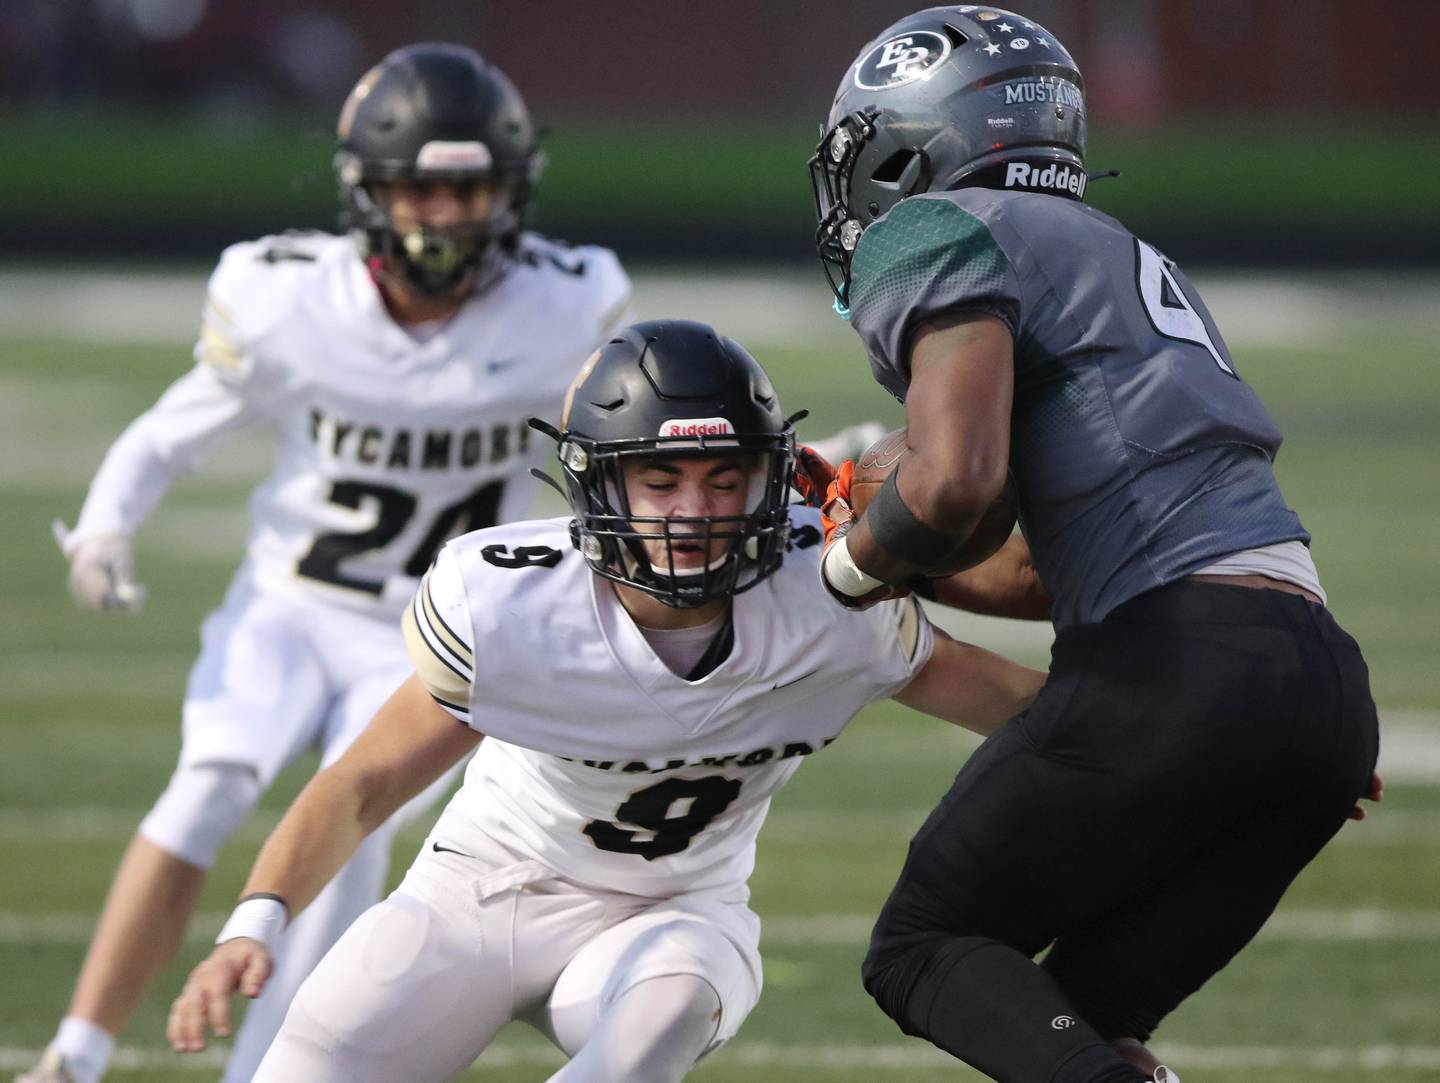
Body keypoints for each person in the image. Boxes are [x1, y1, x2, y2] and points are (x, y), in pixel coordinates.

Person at [164, 319, 1046, 1082]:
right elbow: (360, 784)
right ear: (598, 483)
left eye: (724, 478)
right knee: (323, 1043)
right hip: (481, 890)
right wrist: (256, 917)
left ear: (767, 478)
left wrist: (1169, 712)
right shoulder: (508, 607)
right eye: (661, 481)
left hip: (675, 915)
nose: (694, 510)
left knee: (652, 1027)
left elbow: (1034, 712)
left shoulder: (833, 603)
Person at [20, 42, 635, 1083]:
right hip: (291, 606)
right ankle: (73, 1057)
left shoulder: (567, 304)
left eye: (469, 187)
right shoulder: (287, 296)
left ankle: (265, 1075)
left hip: (434, 638)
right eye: (420, 188)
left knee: (355, 848)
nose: (444, 214)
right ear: (366, 189)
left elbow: (624, 454)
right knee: (205, 787)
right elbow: (174, 429)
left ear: (511, 189)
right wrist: (106, 523)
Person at [804, 7, 1382, 1083]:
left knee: (925, 946)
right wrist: (910, 551)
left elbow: (955, 481)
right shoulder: (1112, 251)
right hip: (1315, 691)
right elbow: (1052, 563)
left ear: (907, 140)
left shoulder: (932, 230)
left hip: (1178, 661)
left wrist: (846, 565)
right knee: (1062, 1024)